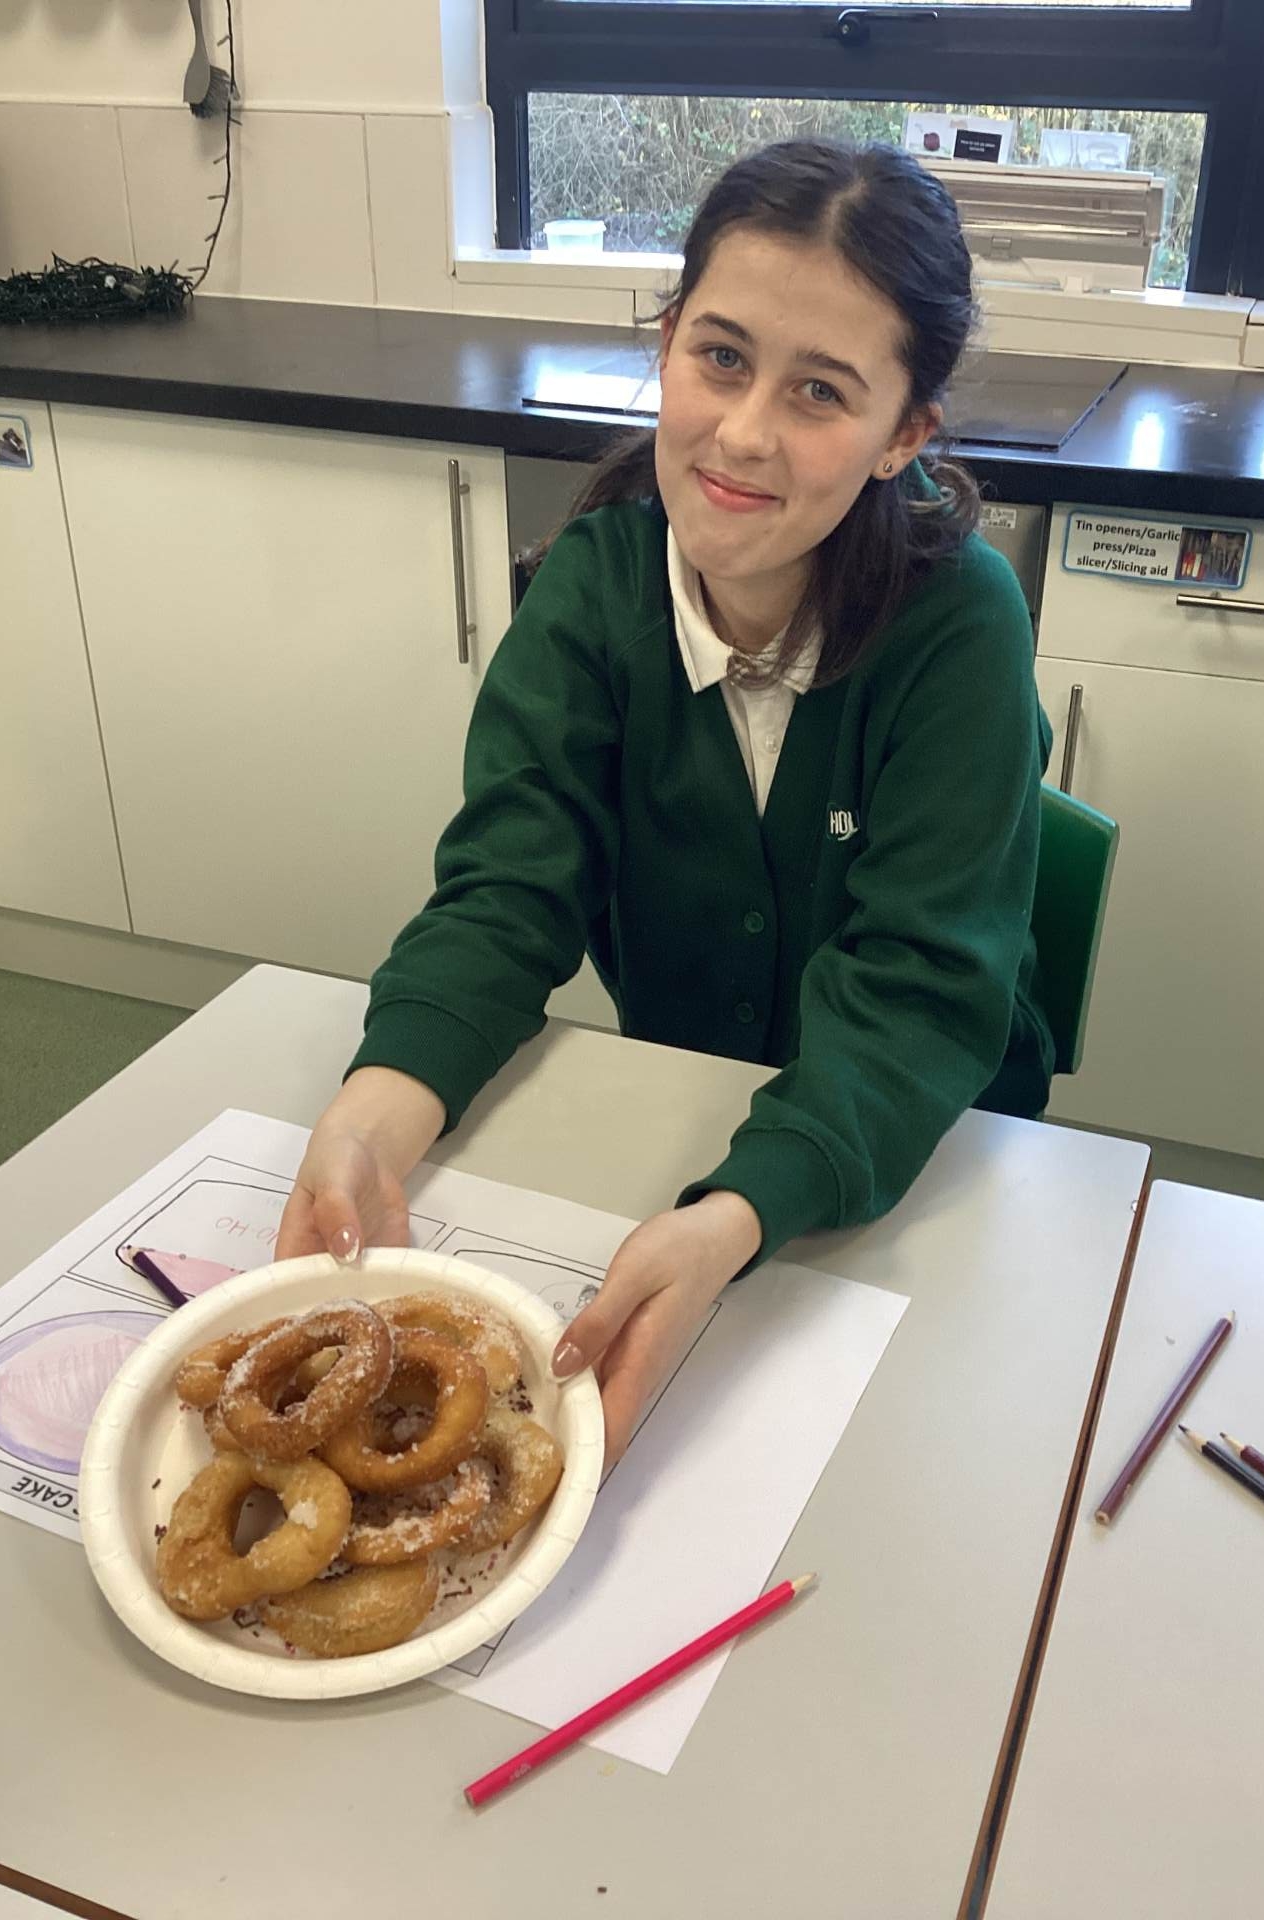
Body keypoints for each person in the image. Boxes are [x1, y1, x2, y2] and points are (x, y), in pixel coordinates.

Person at [275, 139, 1053, 1468]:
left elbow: (921, 994)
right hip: (690, 1119)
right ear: (668, 337)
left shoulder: (960, 625)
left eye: (821, 392)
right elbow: (507, 895)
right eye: (721, 356)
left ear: (903, 435)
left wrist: (734, 1216)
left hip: (918, 1162)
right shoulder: (593, 587)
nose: (743, 433)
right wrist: (369, 1118)